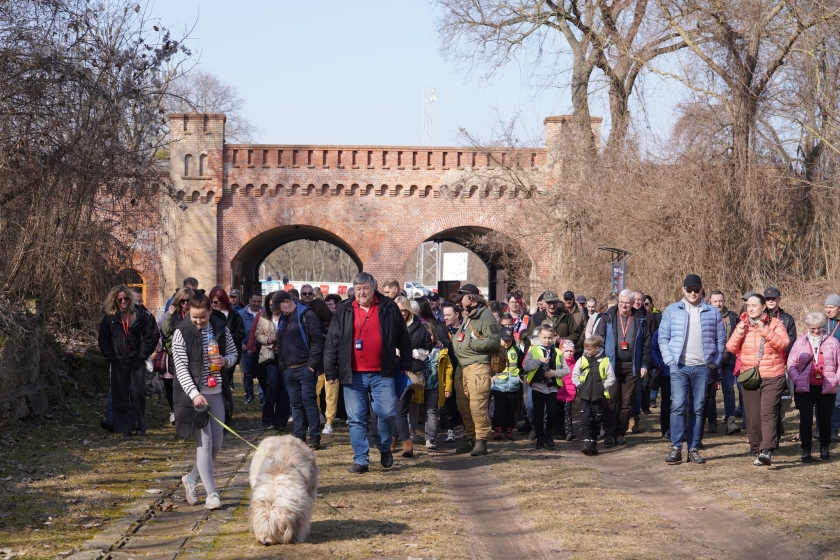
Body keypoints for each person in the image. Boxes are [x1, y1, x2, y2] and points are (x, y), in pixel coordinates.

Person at [323, 272, 411, 474]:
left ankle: (384, 446)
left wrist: (406, 361)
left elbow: (403, 337)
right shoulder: (344, 309)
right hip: (352, 374)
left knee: (388, 413)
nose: (361, 292)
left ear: (374, 288)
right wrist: (330, 370)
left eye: (366, 288)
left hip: (383, 372)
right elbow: (331, 343)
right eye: (358, 288)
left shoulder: (388, 307)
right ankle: (361, 459)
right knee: (356, 419)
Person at [173, 291, 238, 510]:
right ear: (187, 313)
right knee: (205, 443)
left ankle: (191, 479)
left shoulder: (221, 328)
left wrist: (225, 360)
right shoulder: (181, 332)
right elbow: (180, 367)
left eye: (203, 317)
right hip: (195, 396)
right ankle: (212, 494)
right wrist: (194, 394)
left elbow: (233, 353)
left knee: (216, 445)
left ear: (211, 311)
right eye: (194, 318)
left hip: (217, 391)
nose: (199, 321)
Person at [658, 275, 725, 464]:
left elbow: (721, 340)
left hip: (703, 368)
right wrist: (669, 359)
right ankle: (676, 447)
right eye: (690, 290)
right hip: (679, 367)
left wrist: (716, 361)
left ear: (702, 290)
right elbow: (662, 337)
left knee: (697, 408)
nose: (693, 293)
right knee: (677, 407)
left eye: (696, 290)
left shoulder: (712, 312)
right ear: (683, 290)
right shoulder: (672, 310)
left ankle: (693, 448)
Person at [726, 293, 790, 466]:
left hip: (772, 375)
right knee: (753, 415)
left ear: (763, 307)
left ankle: (767, 450)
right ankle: (757, 449)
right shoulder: (742, 324)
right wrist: (738, 333)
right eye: (748, 305)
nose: (751, 308)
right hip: (750, 376)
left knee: (767, 413)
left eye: (755, 305)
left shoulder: (775, 323)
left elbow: (784, 344)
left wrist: (765, 331)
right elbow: (731, 348)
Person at [98, 285, 159, 437]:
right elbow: (103, 340)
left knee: (138, 393)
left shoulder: (140, 314)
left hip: (136, 360)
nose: (123, 301)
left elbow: (151, 335)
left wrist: (142, 354)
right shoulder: (110, 318)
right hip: (118, 361)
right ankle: (125, 429)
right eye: (120, 300)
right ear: (115, 301)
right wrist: (112, 357)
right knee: (120, 395)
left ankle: (139, 425)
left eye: (126, 298)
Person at [595, 289, 651, 447]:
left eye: (627, 303)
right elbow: (599, 341)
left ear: (633, 303)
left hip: (631, 367)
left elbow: (646, 345)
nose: (624, 305)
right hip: (611, 366)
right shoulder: (607, 317)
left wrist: (645, 365)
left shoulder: (640, 319)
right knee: (611, 400)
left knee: (627, 402)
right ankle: (608, 432)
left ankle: (620, 432)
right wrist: (600, 362)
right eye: (621, 302)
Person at [452, 284, 501, 456]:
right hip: (463, 367)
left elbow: (494, 341)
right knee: (463, 405)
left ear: (471, 298)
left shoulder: (485, 316)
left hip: (478, 366)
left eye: (462, 298)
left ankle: (481, 440)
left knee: (477, 405)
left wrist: (472, 344)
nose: (460, 302)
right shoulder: (468, 316)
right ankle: (469, 437)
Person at [273, 290, 325, 449]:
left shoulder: (307, 315)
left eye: (280, 306)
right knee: (295, 405)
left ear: (287, 301)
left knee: (309, 402)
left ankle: (315, 437)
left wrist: (311, 365)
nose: (279, 310)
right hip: (289, 369)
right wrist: (283, 367)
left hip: (305, 368)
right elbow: (280, 344)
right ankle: (299, 437)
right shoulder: (284, 318)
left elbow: (317, 341)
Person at [788, 311, 840, 462]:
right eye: (813, 328)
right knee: (805, 419)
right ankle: (806, 450)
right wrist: (797, 379)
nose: (816, 331)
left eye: (819, 327)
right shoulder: (800, 341)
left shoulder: (833, 342)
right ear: (808, 327)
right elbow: (791, 363)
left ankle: (824, 447)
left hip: (826, 386)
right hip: (806, 386)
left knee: (824, 419)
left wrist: (836, 379)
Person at [393, 296, 434, 457]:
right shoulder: (390, 324)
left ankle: (406, 442)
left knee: (400, 406)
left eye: (403, 310)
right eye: (398, 310)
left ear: (409, 310)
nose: (401, 313)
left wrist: (409, 354)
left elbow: (426, 350)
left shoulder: (419, 327)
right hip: (392, 370)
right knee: (398, 406)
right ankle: (394, 438)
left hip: (409, 372)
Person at [522, 325, 570, 449]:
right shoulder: (533, 350)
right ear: (539, 337)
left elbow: (566, 370)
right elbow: (526, 366)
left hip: (552, 387)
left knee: (551, 412)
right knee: (538, 413)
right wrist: (539, 361)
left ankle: (548, 435)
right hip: (537, 386)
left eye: (550, 337)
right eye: (544, 337)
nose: (547, 340)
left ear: (554, 337)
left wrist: (554, 373)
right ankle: (539, 437)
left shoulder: (558, 352)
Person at [573, 335, 616, 455]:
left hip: (598, 396)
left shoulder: (605, 361)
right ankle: (587, 442)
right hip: (585, 395)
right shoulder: (582, 359)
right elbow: (575, 374)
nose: (586, 351)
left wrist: (602, 387)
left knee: (596, 420)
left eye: (589, 349)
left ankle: (594, 442)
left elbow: (611, 377)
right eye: (585, 349)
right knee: (586, 418)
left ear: (597, 348)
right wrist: (579, 385)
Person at [209, 287, 246, 424]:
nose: (214, 305)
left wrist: (227, 336)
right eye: (212, 302)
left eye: (217, 302)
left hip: (227, 355)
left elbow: (241, 333)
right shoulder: (208, 316)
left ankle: (224, 415)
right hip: (211, 355)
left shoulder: (234, 315)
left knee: (224, 384)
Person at [260, 293, 291, 431]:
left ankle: (280, 420)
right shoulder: (264, 317)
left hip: (285, 355)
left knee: (284, 389)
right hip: (270, 355)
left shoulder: (288, 316)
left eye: (275, 304)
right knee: (272, 385)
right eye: (271, 304)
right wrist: (267, 339)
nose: (273, 307)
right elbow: (257, 335)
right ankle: (267, 417)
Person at [422, 322, 453, 449]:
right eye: (425, 335)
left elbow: (448, 370)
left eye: (430, 335)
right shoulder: (416, 349)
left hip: (435, 386)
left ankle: (430, 439)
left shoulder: (441, 350)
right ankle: (411, 435)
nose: (428, 338)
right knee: (416, 412)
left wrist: (448, 387)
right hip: (419, 386)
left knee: (432, 411)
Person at [310, 298, 339, 435]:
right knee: (314, 393)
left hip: (330, 365)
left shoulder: (333, 323)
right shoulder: (312, 325)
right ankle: (318, 417)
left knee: (331, 395)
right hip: (317, 365)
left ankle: (329, 421)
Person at [491, 326, 522, 440]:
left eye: (509, 340)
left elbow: (521, 364)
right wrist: (492, 376)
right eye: (504, 340)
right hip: (498, 384)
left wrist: (520, 375)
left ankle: (508, 429)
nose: (507, 342)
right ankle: (497, 429)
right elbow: (489, 364)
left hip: (513, 384)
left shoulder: (517, 350)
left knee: (511, 407)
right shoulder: (494, 350)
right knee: (499, 407)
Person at [439, 301, 464, 442]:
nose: (446, 318)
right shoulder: (442, 330)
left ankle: (467, 429)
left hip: (463, 368)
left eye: (449, 315)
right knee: (448, 399)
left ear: (457, 314)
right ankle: (450, 430)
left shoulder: (465, 329)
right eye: (444, 315)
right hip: (448, 370)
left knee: (463, 400)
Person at [239, 291, 265, 405]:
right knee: (247, 373)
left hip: (261, 349)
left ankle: (262, 396)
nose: (256, 303)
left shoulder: (265, 313)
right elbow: (237, 332)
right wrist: (242, 345)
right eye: (254, 301)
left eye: (258, 301)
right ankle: (249, 395)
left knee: (262, 373)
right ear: (249, 301)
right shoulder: (241, 314)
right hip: (246, 348)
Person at [557, 339, 577, 440]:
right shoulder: (558, 363)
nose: (569, 353)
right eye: (566, 351)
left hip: (569, 393)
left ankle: (569, 432)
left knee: (567, 413)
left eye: (571, 351)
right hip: (559, 393)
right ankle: (559, 431)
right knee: (559, 413)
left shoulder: (575, 365)